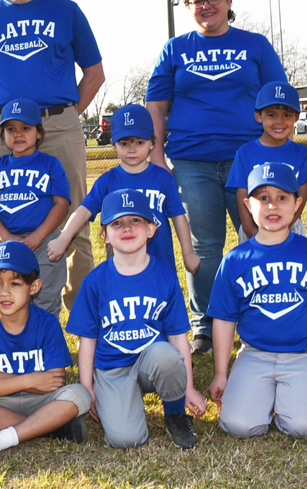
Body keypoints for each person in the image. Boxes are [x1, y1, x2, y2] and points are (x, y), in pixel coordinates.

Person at [145, 0, 287, 354]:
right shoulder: (175, 49)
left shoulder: (255, 45)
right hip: (192, 161)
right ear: (189, 7)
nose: (206, 6)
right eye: (197, 1)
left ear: (228, 1)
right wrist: (157, 156)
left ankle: (260, 319)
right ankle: (205, 326)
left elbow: (279, 98)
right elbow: (155, 106)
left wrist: (276, 151)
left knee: (261, 237)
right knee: (204, 246)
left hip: (250, 161)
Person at [0, 0, 105, 312]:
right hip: (5, 127)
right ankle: (8, 311)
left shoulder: (66, 11)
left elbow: (94, 74)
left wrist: (64, 118)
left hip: (58, 124)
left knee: (75, 220)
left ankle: (81, 314)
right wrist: (9, 120)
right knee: (3, 218)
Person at [208, 163, 307, 438]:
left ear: (297, 204)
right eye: (263, 198)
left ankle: (289, 399)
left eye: (282, 197)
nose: (273, 205)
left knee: (303, 426)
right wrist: (221, 373)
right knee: (238, 425)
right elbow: (224, 320)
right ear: (248, 205)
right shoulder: (235, 260)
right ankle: (264, 395)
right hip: (255, 353)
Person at [66, 190, 206, 450]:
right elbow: (87, 340)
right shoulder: (94, 281)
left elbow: (178, 337)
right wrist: (87, 387)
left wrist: (188, 388)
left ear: (151, 229)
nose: (127, 228)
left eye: (135, 220)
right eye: (117, 223)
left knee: (167, 355)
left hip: (152, 360)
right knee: (126, 439)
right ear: (105, 235)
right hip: (112, 367)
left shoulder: (165, 277)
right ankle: (123, 400)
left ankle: (175, 413)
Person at [0, 241, 91, 462]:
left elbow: (55, 382)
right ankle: (51, 427)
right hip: (1, 403)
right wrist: (31, 380)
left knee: (80, 395)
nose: (5, 292)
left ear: (34, 287)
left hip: (42, 401)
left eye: (15, 283)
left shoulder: (47, 323)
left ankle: (2, 438)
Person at [49, 104, 200, 274]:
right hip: (120, 269)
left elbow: (178, 217)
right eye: (124, 143)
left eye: (139, 142)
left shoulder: (163, 179)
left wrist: (188, 253)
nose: (132, 149)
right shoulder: (107, 181)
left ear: (152, 143)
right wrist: (64, 238)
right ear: (113, 144)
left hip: (159, 266)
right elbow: (83, 211)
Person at [0, 99, 70, 316]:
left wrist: (38, 236)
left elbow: (61, 204)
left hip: (44, 240)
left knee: (45, 297)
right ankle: (6, 337)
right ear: (3, 134)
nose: (18, 134)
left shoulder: (50, 164)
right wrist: (6, 237)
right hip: (6, 240)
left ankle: (44, 336)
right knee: (5, 297)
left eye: (26, 128)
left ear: (39, 133)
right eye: (11, 129)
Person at [226, 82, 307, 242]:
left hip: (290, 228)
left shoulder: (303, 154)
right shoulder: (245, 153)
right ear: (258, 116)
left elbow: (302, 195)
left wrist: (282, 231)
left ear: (296, 117)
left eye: (287, 115)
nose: (279, 121)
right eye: (272, 115)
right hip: (253, 229)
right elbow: (241, 194)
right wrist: (250, 230)